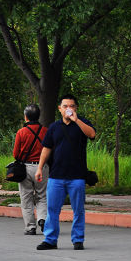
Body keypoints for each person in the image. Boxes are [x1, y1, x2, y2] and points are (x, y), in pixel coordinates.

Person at [34, 94, 96, 250]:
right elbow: (46, 148)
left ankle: (78, 239)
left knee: (78, 210)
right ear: (60, 109)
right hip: (56, 176)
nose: (69, 109)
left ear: (76, 108)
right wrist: (40, 168)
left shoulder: (82, 123)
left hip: (77, 176)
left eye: (72, 106)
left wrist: (76, 120)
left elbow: (92, 134)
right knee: (52, 210)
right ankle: (50, 239)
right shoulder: (54, 127)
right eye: (66, 106)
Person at [13, 104, 48, 235]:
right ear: (38, 116)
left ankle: (30, 227)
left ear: (26, 117)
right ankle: (42, 219)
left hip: (26, 169)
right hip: (42, 167)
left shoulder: (21, 132)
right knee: (42, 196)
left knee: (26, 197)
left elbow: (16, 154)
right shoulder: (46, 131)